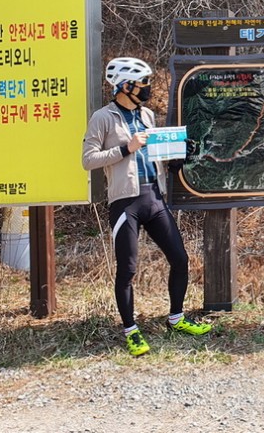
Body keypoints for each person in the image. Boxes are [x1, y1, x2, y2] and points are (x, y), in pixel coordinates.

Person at [82, 56, 211, 356]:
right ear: (124, 86)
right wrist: (126, 148)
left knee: (180, 259)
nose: (147, 88)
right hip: (125, 202)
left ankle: (176, 318)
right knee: (127, 269)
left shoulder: (147, 115)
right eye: (143, 83)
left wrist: (176, 159)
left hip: (154, 196)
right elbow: (88, 160)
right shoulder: (103, 117)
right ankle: (131, 331)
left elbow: (154, 154)